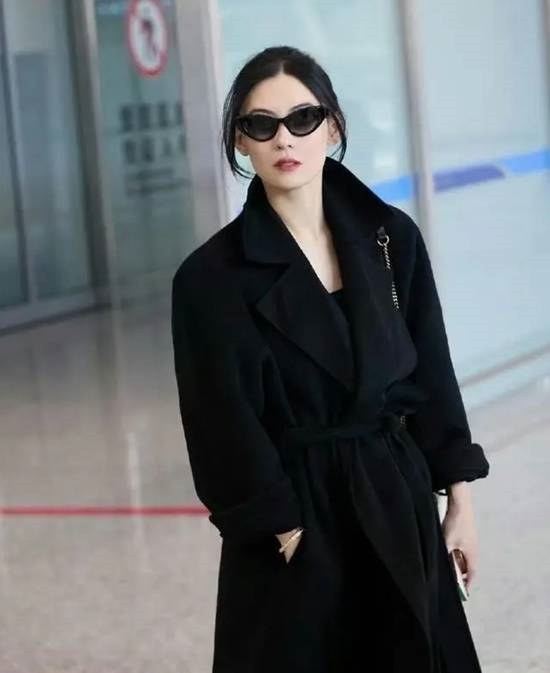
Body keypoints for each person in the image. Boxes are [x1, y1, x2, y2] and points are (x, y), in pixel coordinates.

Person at [171, 45, 490, 673]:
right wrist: (282, 527)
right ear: (240, 141)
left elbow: (432, 373)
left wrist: (459, 500)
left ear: (333, 127)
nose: (284, 139)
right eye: (261, 124)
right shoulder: (210, 277)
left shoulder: (391, 239)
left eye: (303, 118)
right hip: (295, 519)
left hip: (394, 495)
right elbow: (218, 422)